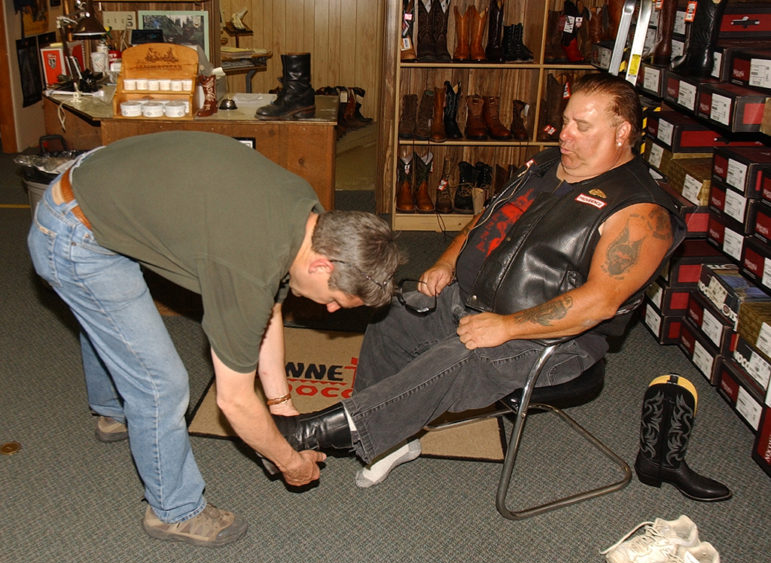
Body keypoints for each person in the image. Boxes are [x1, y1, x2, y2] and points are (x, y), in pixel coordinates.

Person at [272, 72, 688, 487]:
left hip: (553, 340)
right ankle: (393, 439)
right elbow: (489, 218)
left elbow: (599, 304)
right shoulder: (545, 164)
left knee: (458, 358)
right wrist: (446, 263)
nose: (565, 135)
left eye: (582, 126)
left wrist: (506, 327)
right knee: (392, 313)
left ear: (623, 133)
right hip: (474, 299)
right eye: (564, 122)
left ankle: (314, 431)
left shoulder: (640, 211)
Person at [27, 131, 401, 546]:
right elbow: (234, 400)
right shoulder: (247, 268)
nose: (330, 311)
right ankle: (174, 511)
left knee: (112, 321)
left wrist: (283, 410)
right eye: (336, 300)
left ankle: (115, 410)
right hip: (72, 233)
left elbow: (269, 310)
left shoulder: (307, 216)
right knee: (161, 385)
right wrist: (288, 460)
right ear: (321, 266)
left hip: (112, 185)